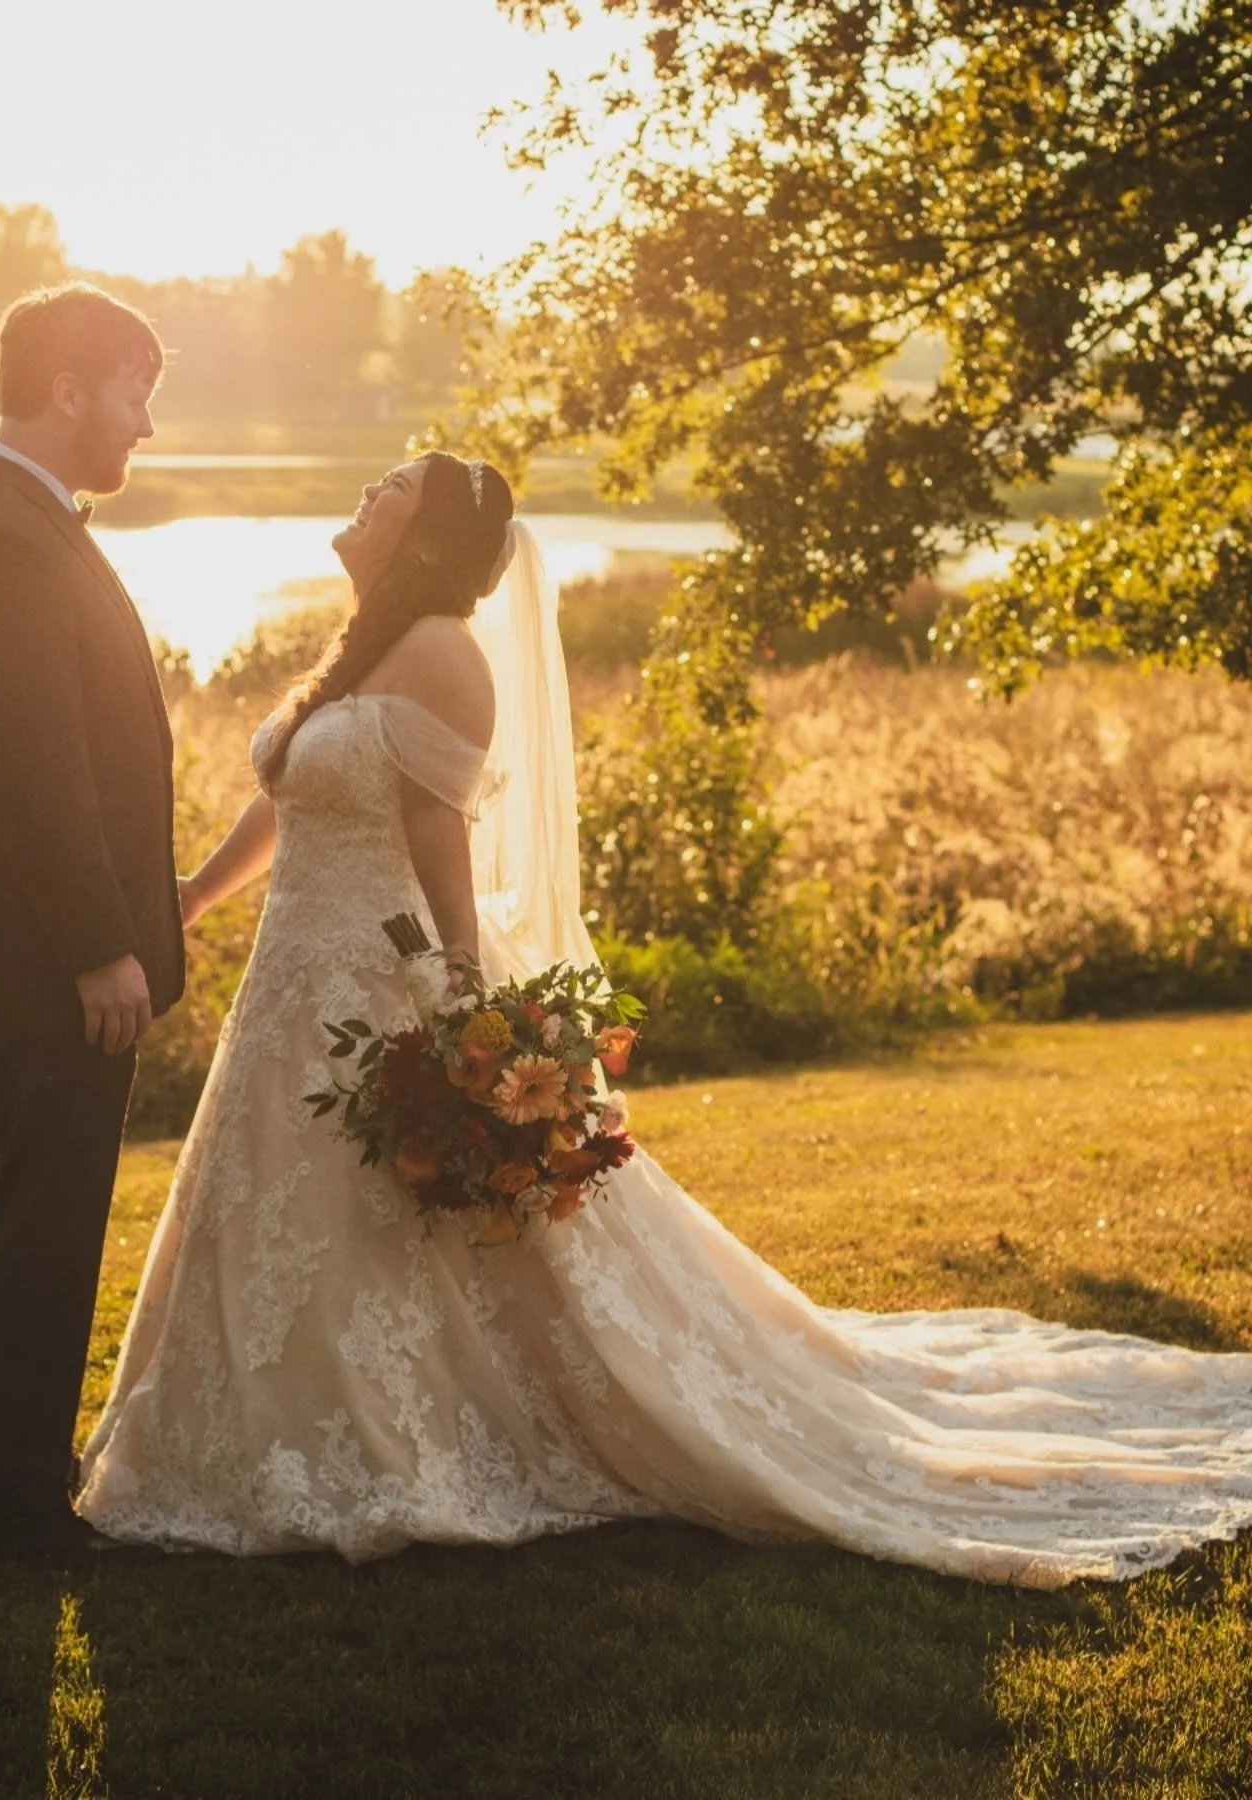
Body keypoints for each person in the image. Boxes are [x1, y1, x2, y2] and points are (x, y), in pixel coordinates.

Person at [78, 451, 1252, 1586]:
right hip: (288, 987)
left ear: (426, 535)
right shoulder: (360, 651)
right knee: (280, 1206)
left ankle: (394, 1441)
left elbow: (441, 838)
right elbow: (287, 800)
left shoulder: (443, 656)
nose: (365, 491)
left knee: (392, 1213)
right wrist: (192, 895)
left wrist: (458, 998)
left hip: (380, 980)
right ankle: (266, 1430)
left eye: (390, 487)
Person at [0, 283, 185, 1558]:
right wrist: (98, 945)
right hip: (38, 959)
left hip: (28, 952)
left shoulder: (12, 510)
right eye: (135, 393)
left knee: (36, 1205)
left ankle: (16, 1476)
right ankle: (14, 1507)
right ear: (69, 389)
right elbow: (29, 763)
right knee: (38, 1211)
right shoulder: (9, 531)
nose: (144, 425)